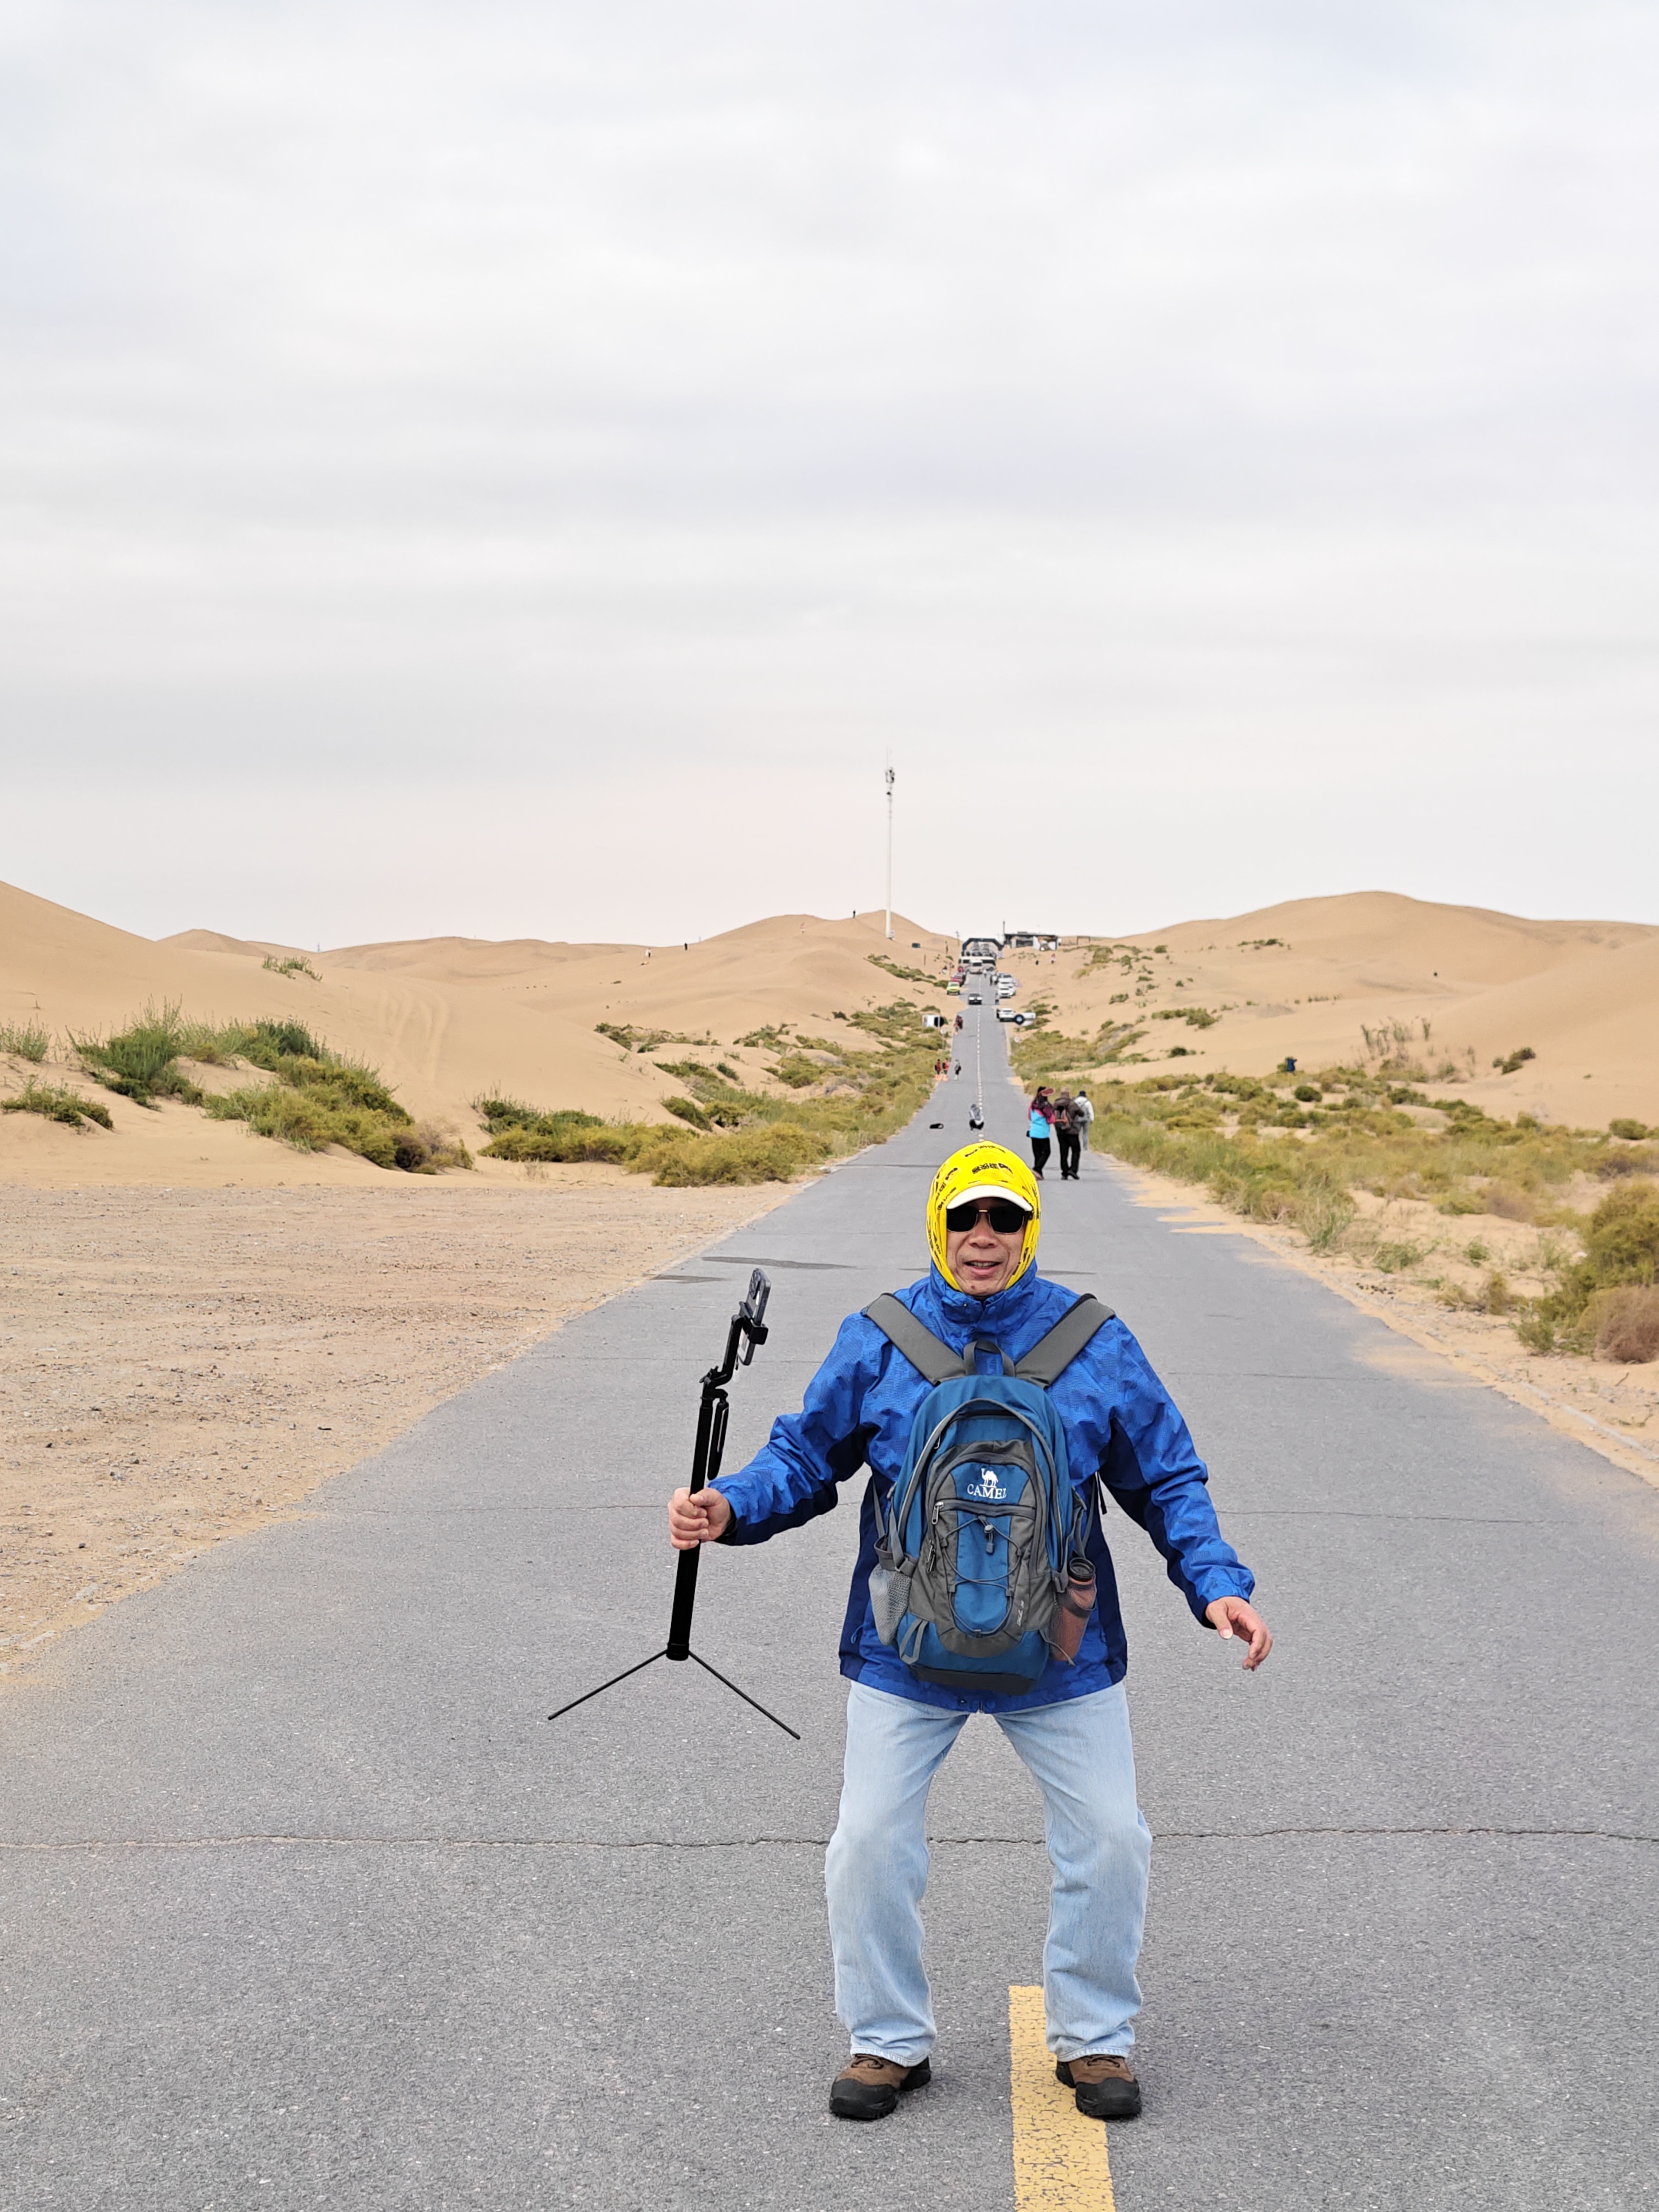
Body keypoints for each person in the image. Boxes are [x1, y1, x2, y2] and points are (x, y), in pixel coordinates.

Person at [667, 1143, 1270, 2126]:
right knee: (867, 1843)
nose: (982, 1238)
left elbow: (1166, 1476)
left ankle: (1093, 2036)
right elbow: (805, 1456)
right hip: (906, 1648)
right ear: (938, 1225)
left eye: (1004, 1219)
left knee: (1111, 1839)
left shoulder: (1094, 1340)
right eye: (964, 1218)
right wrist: (730, 1506)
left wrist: (1217, 1586)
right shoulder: (880, 1338)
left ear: (1030, 1228)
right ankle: (887, 2040)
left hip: (1061, 1649)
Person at [1053, 1090, 1081, 1181]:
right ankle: (1073, 1170)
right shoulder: (1072, 1104)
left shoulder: (1055, 1104)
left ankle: (1065, 1172)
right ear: (1068, 1095)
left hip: (1061, 1132)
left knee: (1064, 1153)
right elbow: (1081, 1113)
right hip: (1072, 1132)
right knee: (1076, 1151)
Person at [1027, 1087, 1054, 1179]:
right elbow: (1051, 1120)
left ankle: (1038, 1174)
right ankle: (1037, 1169)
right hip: (1043, 1133)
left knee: (1037, 1154)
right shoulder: (1046, 1106)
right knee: (1047, 1152)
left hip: (1033, 1131)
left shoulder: (1033, 1105)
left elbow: (1030, 1117)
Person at [1074, 1087, 1095, 1154]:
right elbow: (1091, 1111)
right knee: (1085, 1133)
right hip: (1086, 1119)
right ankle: (1085, 1147)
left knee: (1077, 1133)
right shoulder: (1088, 1102)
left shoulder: (1076, 1101)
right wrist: (1092, 1119)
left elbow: (1073, 1110)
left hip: (1078, 1119)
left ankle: (1076, 1145)